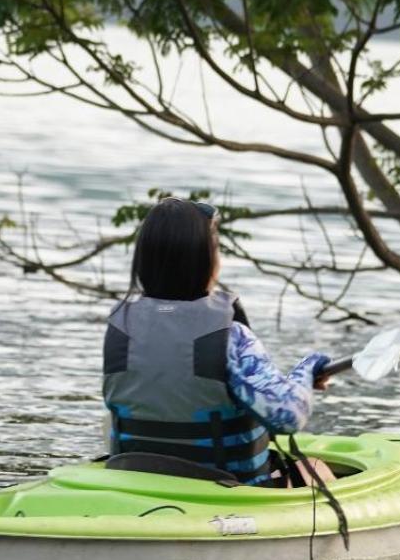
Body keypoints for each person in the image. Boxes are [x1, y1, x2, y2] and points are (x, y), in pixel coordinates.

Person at [102, 196, 332, 487]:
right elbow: (288, 416)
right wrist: (307, 369)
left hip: (136, 481)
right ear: (206, 260)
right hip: (222, 487)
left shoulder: (120, 330)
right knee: (315, 469)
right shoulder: (231, 336)